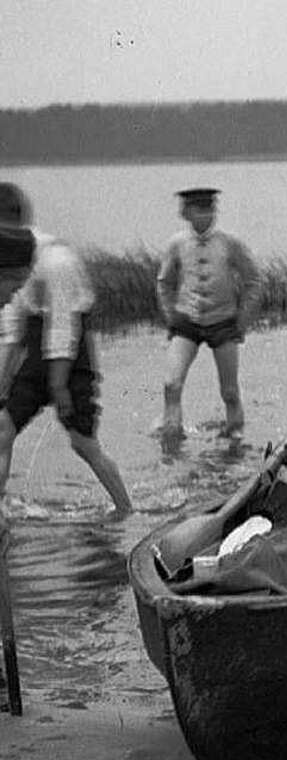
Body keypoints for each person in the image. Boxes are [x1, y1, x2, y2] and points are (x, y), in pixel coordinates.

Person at [0, 182, 132, 514]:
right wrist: (6, 372)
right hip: (35, 349)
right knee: (3, 428)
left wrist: (59, 385)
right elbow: (14, 318)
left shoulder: (55, 259)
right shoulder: (8, 259)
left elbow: (63, 324)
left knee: (83, 443)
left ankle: (125, 509)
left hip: (71, 354)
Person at [156, 187, 262, 440]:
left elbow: (254, 281)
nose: (205, 215)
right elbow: (164, 283)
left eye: (210, 209)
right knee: (171, 384)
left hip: (223, 323)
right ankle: (172, 437)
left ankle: (235, 440)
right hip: (186, 322)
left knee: (230, 392)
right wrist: (171, 317)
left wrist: (242, 321)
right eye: (199, 209)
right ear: (186, 213)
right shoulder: (177, 244)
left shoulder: (230, 243)